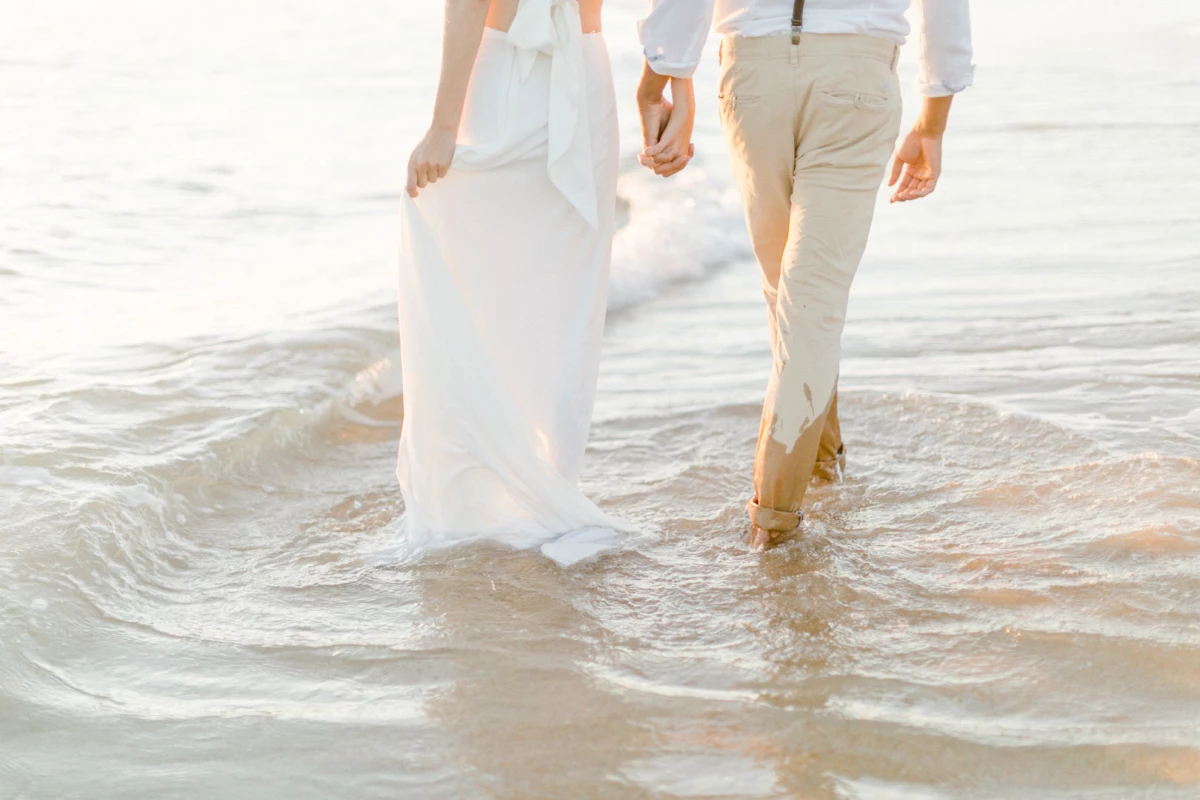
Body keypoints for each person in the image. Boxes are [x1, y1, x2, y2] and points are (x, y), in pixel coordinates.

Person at [637, 0, 974, 550]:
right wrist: (933, 120)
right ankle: (775, 527)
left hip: (752, 76)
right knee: (806, 305)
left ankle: (809, 482)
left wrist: (661, 81)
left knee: (795, 302)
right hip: (857, 77)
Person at [394, 0, 693, 566]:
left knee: (562, 296)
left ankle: (544, 488)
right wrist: (443, 125)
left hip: (573, 73)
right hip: (512, 76)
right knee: (501, 289)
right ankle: (499, 489)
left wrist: (676, 87)